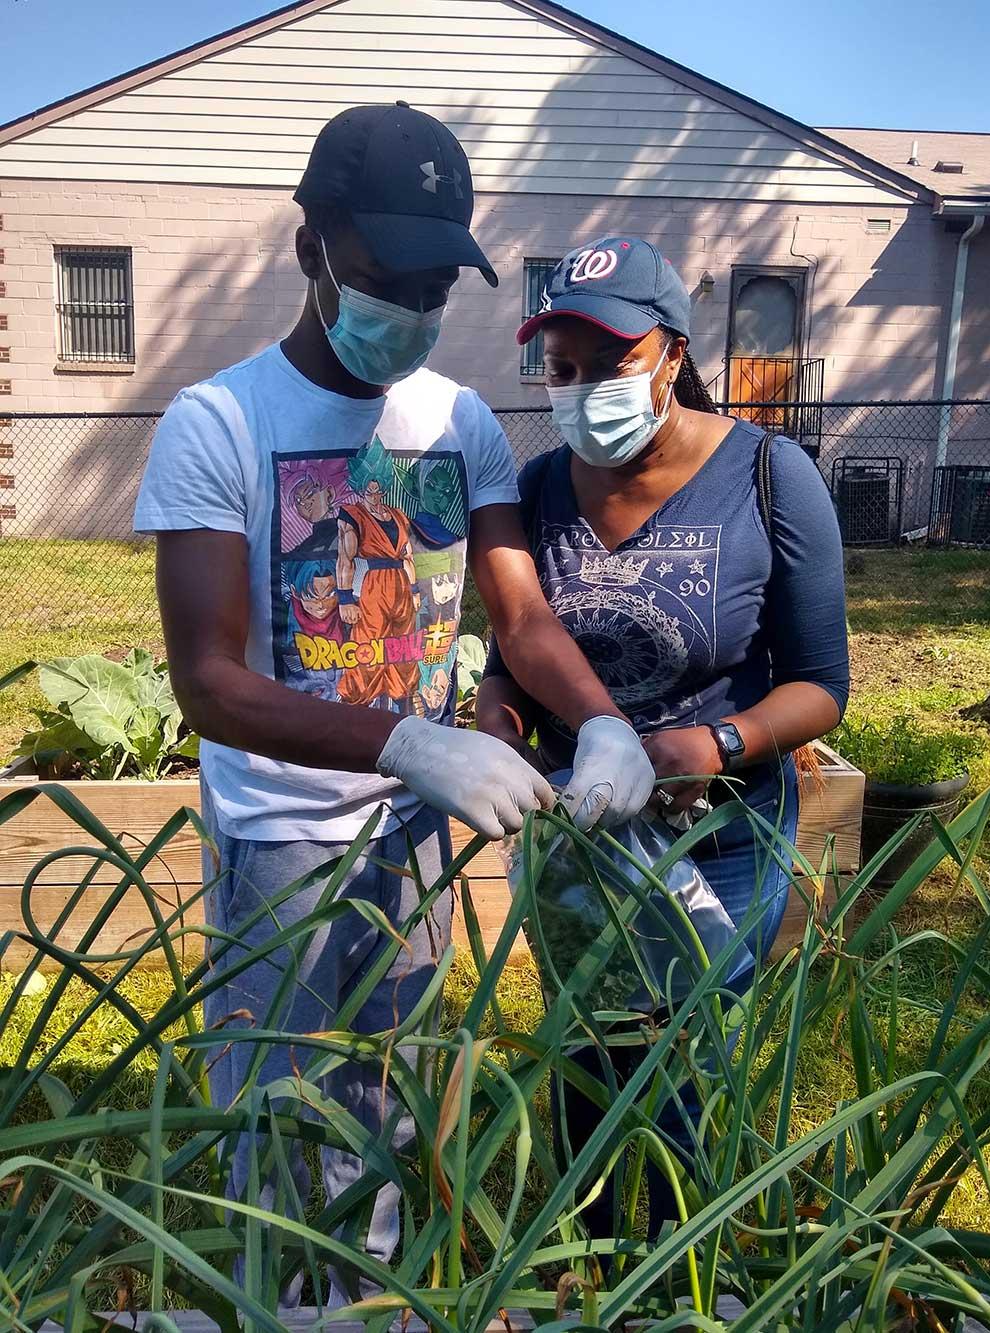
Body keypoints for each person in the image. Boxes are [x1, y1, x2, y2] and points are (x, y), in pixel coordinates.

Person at [134, 109, 654, 1305]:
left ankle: (369, 1296)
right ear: (310, 245)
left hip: (419, 827)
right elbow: (209, 684)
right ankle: (276, 1299)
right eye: (383, 280)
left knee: (388, 1091)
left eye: (434, 286)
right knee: (274, 1103)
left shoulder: (457, 419)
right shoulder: (218, 424)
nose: (411, 315)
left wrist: (603, 722)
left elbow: (516, 615)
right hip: (286, 832)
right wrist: (407, 738)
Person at [476, 235, 849, 1240]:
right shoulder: (540, 486)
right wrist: (497, 730)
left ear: (672, 355)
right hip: (580, 843)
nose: (584, 386)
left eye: (611, 362)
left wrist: (712, 745)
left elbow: (821, 685)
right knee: (585, 1057)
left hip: (715, 842)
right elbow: (510, 655)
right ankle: (588, 1260)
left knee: (679, 1061)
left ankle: (676, 1267)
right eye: (563, 368)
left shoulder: (769, 477)